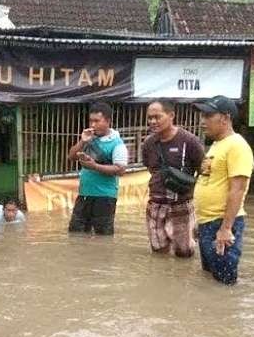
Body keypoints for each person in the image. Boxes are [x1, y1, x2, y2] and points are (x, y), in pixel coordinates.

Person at [193, 95, 254, 285]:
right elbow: (208, 182)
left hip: (222, 224)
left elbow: (238, 189)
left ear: (225, 118)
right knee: (210, 278)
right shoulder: (217, 146)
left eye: (208, 116)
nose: (203, 121)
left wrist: (226, 228)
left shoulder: (237, 146)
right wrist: (199, 221)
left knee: (224, 283)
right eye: (202, 116)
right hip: (208, 222)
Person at [142, 100, 205, 257]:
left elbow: (203, 169)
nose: (153, 121)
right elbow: (151, 169)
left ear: (171, 115)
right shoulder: (148, 143)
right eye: (150, 118)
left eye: (157, 117)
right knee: (158, 252)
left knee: (184, 253)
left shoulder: (189, 141)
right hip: (155, 205)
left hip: (181, 205)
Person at [67, 102, 128, 235]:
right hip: (84, 195)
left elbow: (121, 170)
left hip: (105, 198)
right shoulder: (89, 138)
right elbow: (71, 156)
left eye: (97, 121)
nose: (93, 125)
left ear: (108, 121)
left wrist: (94, 166)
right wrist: (82, 141)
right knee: (75, 234)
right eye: (91, 121)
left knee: (103, 236)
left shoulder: (117, 143)